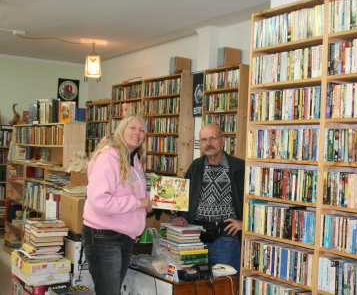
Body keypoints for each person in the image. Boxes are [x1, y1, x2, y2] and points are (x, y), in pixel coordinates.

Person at [82, 114, 153, 295]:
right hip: (104, 236)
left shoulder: (134, 159)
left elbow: (133, 191)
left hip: (126, 237)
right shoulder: (108, 157)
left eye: (142, 130)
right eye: (133, 127)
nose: (138, 132)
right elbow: (99, 200)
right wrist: (138, 203)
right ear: (122, 129)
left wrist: (149, 201)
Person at [171, 123, 245, 273]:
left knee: (224, 284)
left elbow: (253, 199)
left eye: (213, 138)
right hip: (195, 237)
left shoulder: (240, 167)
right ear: (200, 143)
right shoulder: (196, 166)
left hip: (226, 238)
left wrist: (246, 223)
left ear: (223, 140)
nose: (208, 143)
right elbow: (183, 195)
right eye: (204, 140)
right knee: (196, 285)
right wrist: (180, 215)